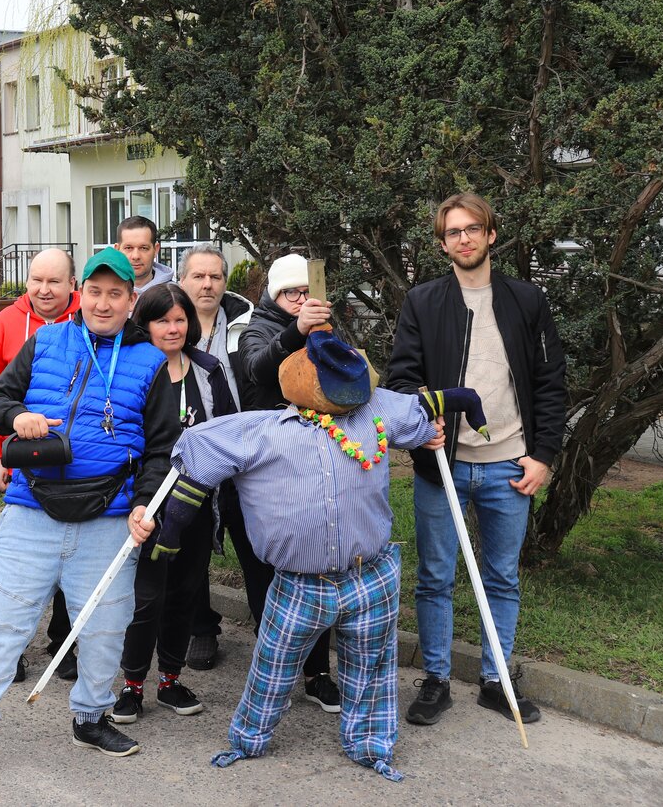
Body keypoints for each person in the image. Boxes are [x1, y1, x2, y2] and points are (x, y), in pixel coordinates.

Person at [148, 329, 477, 782]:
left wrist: (454, 414)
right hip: (300, 583)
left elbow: (426, 406)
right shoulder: (259, 430)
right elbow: (198, 463)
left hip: (372, 575)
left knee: (372, 669)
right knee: (273, 665)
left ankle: (370, 746)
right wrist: (173, 528)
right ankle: (249, 737)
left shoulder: (375, 410)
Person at [0, 247, 179, 784]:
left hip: (109, 519)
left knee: (105, 631)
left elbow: (160, 450)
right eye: (96, 292)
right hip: (32, 512)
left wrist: (147, 504)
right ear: (83, 293)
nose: (104, 303)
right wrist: (19, 416)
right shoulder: (47, 340)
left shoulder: (150, 363)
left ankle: (90, 717)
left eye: (117, 294)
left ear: (131, 301)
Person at [387, 192, 567, 727]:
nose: (463, 239)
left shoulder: (526, 301)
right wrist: (423, 423)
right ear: (442, 244)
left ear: (490, 234)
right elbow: (401, 378)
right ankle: (437, 680)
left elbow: (550, 383)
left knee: (502, 577)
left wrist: (544, 456)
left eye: (472, 229)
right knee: (436, 576)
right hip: (442, 465)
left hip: (511, 464)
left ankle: (495, 680)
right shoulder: (423, 302)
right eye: (452, 232)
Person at [110, 283, 237, 724]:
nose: (173, 328)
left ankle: (169, 679)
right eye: (162, 319)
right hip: (144, 505)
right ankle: (130, 685)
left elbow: (228, 432)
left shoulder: (208, 369)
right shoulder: (134, 370)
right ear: (144, 324)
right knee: (146, 598)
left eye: (180, 319)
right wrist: (140, 500)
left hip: (198, 503)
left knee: (185, 592)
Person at [235, 252, 340, 710]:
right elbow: (256, 368)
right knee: (264, 570)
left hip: (317, 463)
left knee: (314, 567)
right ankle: (273, 666)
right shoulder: (254, 325)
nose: (299, 300)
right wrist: (297, 332)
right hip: (263, 468)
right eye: (290, 293)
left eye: (305, 291)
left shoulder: (324, 322)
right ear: (274, 294)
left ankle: (319, 672)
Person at [0, 247, 82, 680]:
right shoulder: (4, 324)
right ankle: (14, 649)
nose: (43, 289)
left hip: (77, 467)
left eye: (54, 281)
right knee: (22, 567)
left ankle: (64, 644)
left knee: (71, 563)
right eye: (36, 280)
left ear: (72, 285)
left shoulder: (88, 322)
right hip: (21, 463)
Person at [176, 242, 254, 670]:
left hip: (244, 458)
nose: (207, 284)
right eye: (198, 276)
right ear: (182, 281)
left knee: (255, 546)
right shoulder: (166, 325)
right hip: (187, 458)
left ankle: (272, 631)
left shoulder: (248, 324)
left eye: (215, 277)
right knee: (190, 548)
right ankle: (200, 629)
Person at [116, 215, 173, 294]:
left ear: (156, 250)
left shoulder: (174, 295)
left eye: (143, 248)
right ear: (117, 250)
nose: (136, 256)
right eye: (128, 248)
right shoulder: (102, 292)